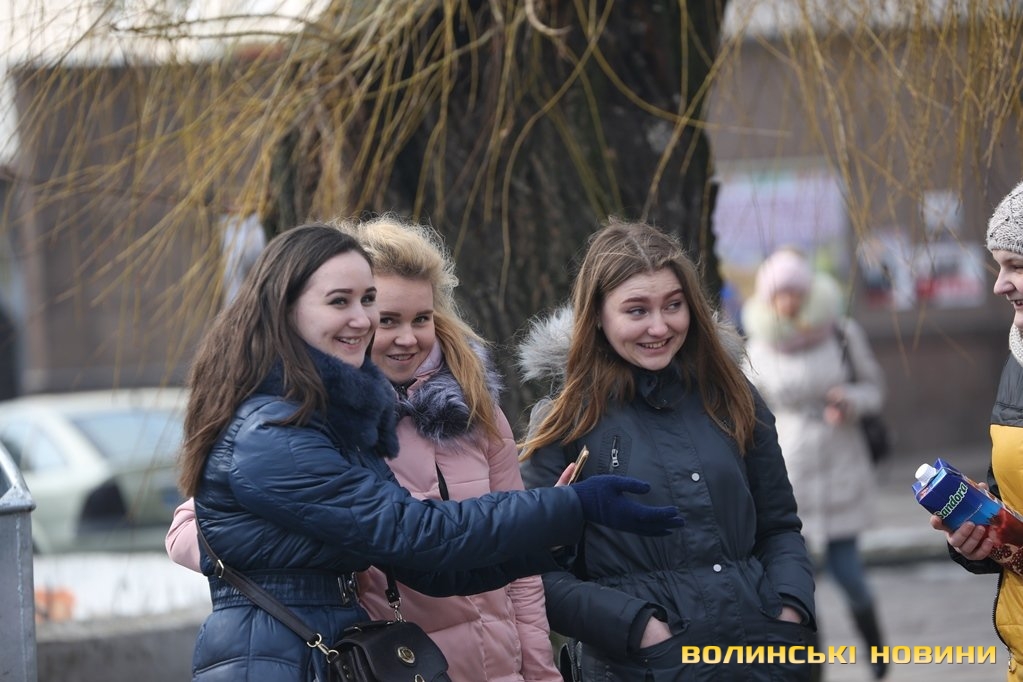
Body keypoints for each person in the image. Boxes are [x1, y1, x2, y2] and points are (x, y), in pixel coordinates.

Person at [175, 222, 685, 681]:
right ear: (286, 308)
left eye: (366, 300)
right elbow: (415, 533)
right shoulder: (275, 429)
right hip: (280, 659)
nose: (362, 319)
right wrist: (568, 506)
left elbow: (429, 568)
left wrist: (550, 537)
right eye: (340, 302)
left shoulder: (342, 419)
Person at [517, 219, 816, 681]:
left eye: (673, 305)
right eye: (637, 310)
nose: (659, 326)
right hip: (640, 668)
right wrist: (639, 628)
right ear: (597, 315)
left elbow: (779, 528)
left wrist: (789, 609)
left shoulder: (732, 398)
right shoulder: (565, 422)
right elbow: (536, 570)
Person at [739, 247, 888, 680]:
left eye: (794, 292)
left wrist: (851, 401)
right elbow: (750, 410)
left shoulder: (841, 333)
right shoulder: (758, 346)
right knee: (800, 583)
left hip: (842, 464)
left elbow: (875, 389)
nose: (787, 301)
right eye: (779, 294)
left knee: (849, 572)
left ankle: (877, 652)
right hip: (789, 470)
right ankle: (812, 667)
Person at [930, 180, 1023, 681]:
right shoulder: (1018, 360)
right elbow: (1011, 499)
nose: (1000, 285)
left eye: (1017, 266)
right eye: (999, 266)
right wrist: (982, 537)